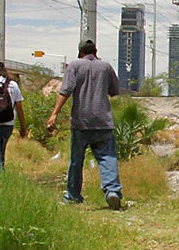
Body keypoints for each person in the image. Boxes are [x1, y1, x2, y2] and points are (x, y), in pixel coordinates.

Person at [46, 39, 123, 208]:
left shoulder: (74, 65)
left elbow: (65, 91)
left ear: (80, 52)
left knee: (76, 161)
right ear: (95, 51)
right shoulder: (106, 67)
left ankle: (73, 196)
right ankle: (112, 191)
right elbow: (115, 91)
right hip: (103, 121)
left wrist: (54, 113)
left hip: (81, 122)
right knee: (107, 158)